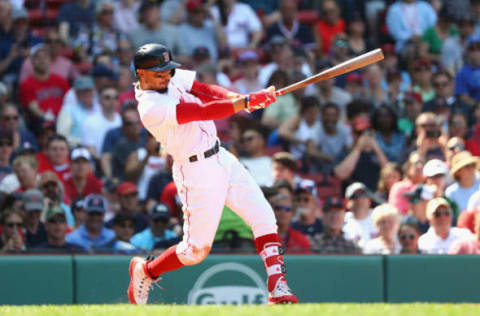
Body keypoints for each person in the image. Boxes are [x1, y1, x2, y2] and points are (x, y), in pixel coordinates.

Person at [127, 43, 298, 305]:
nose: (166, 75)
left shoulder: (169, 78)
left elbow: (204, 90)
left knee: (264, 215)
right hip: (196, 171)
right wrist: (245, 103)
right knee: (195, 251)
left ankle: (278, 286)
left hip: (220, 156)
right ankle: (146, 271)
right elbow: (200, 111)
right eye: (158, 71)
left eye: (167, 69)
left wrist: (240, 99)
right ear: (141, 73)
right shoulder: (149, 106)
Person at [343, 182, 378, 248]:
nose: (360, 199)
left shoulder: (380, 217)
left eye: (363, 195)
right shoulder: (341, 221)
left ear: (369, 199)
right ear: (347, 202)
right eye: (355, 196)